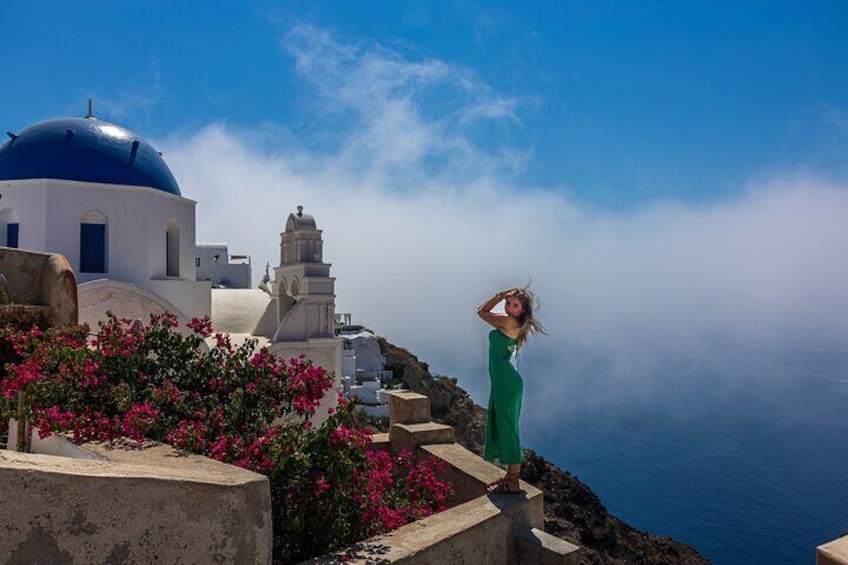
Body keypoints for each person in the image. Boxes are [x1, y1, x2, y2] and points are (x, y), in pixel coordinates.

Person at [477, 286, 546, 494]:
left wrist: (497, 296)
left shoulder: (508, 322)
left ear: (523, 310)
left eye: (515, 305)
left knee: (509, 429)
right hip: (503, 381)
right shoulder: (513, 321)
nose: (509, 307)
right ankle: (509, 477)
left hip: (506, 382)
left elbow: (481, 312)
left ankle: (513, 481)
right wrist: (502, 299)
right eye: (508, 303)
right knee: (505, 425)